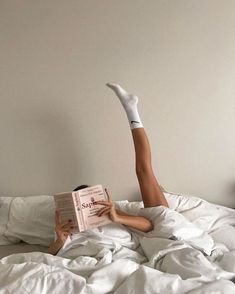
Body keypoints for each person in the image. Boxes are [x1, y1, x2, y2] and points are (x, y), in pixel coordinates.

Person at [48, 83, 168, 255]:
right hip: (95, 257)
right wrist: (60, 239)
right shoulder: (71, 229)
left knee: (144, 171)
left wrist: (117, 216)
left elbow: (151, 225)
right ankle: (131, 108)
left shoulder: (110, 213)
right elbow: (50, 254)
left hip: (152, 241)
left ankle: (131, 108)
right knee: (144, 171)